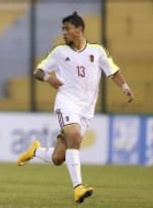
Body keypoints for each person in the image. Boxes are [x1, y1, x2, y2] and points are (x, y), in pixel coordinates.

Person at [16, 12, 134, 204]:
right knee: (74, 137)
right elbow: (38, 71)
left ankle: (35, 151)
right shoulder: (60, 52)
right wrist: (49, 78)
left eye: (67, 29)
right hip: (66, 102)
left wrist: (125, 87)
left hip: (86, 109)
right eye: (62, 29)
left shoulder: (97, 51)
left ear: (79, 30)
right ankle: (78, 187)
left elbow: (113, 71)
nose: (64, 33)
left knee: (58, 157)